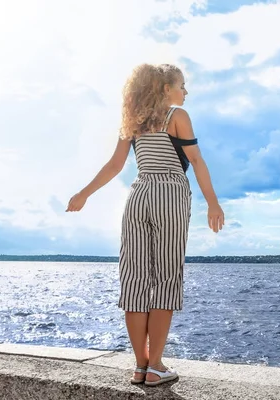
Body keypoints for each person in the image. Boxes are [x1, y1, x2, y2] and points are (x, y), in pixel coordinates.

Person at [66, 63, 224, 386]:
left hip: (138, 196)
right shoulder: (177, 116)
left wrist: (84, 193)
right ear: (166, 89)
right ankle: (156, 367)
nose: (185, 92)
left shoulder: (133, 121)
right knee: (165, 279)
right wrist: (213, 202)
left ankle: (140, 366)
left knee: (136, 281)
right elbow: (195, 161)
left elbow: (114, 166)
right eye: (181, 85)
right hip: (169, 193)